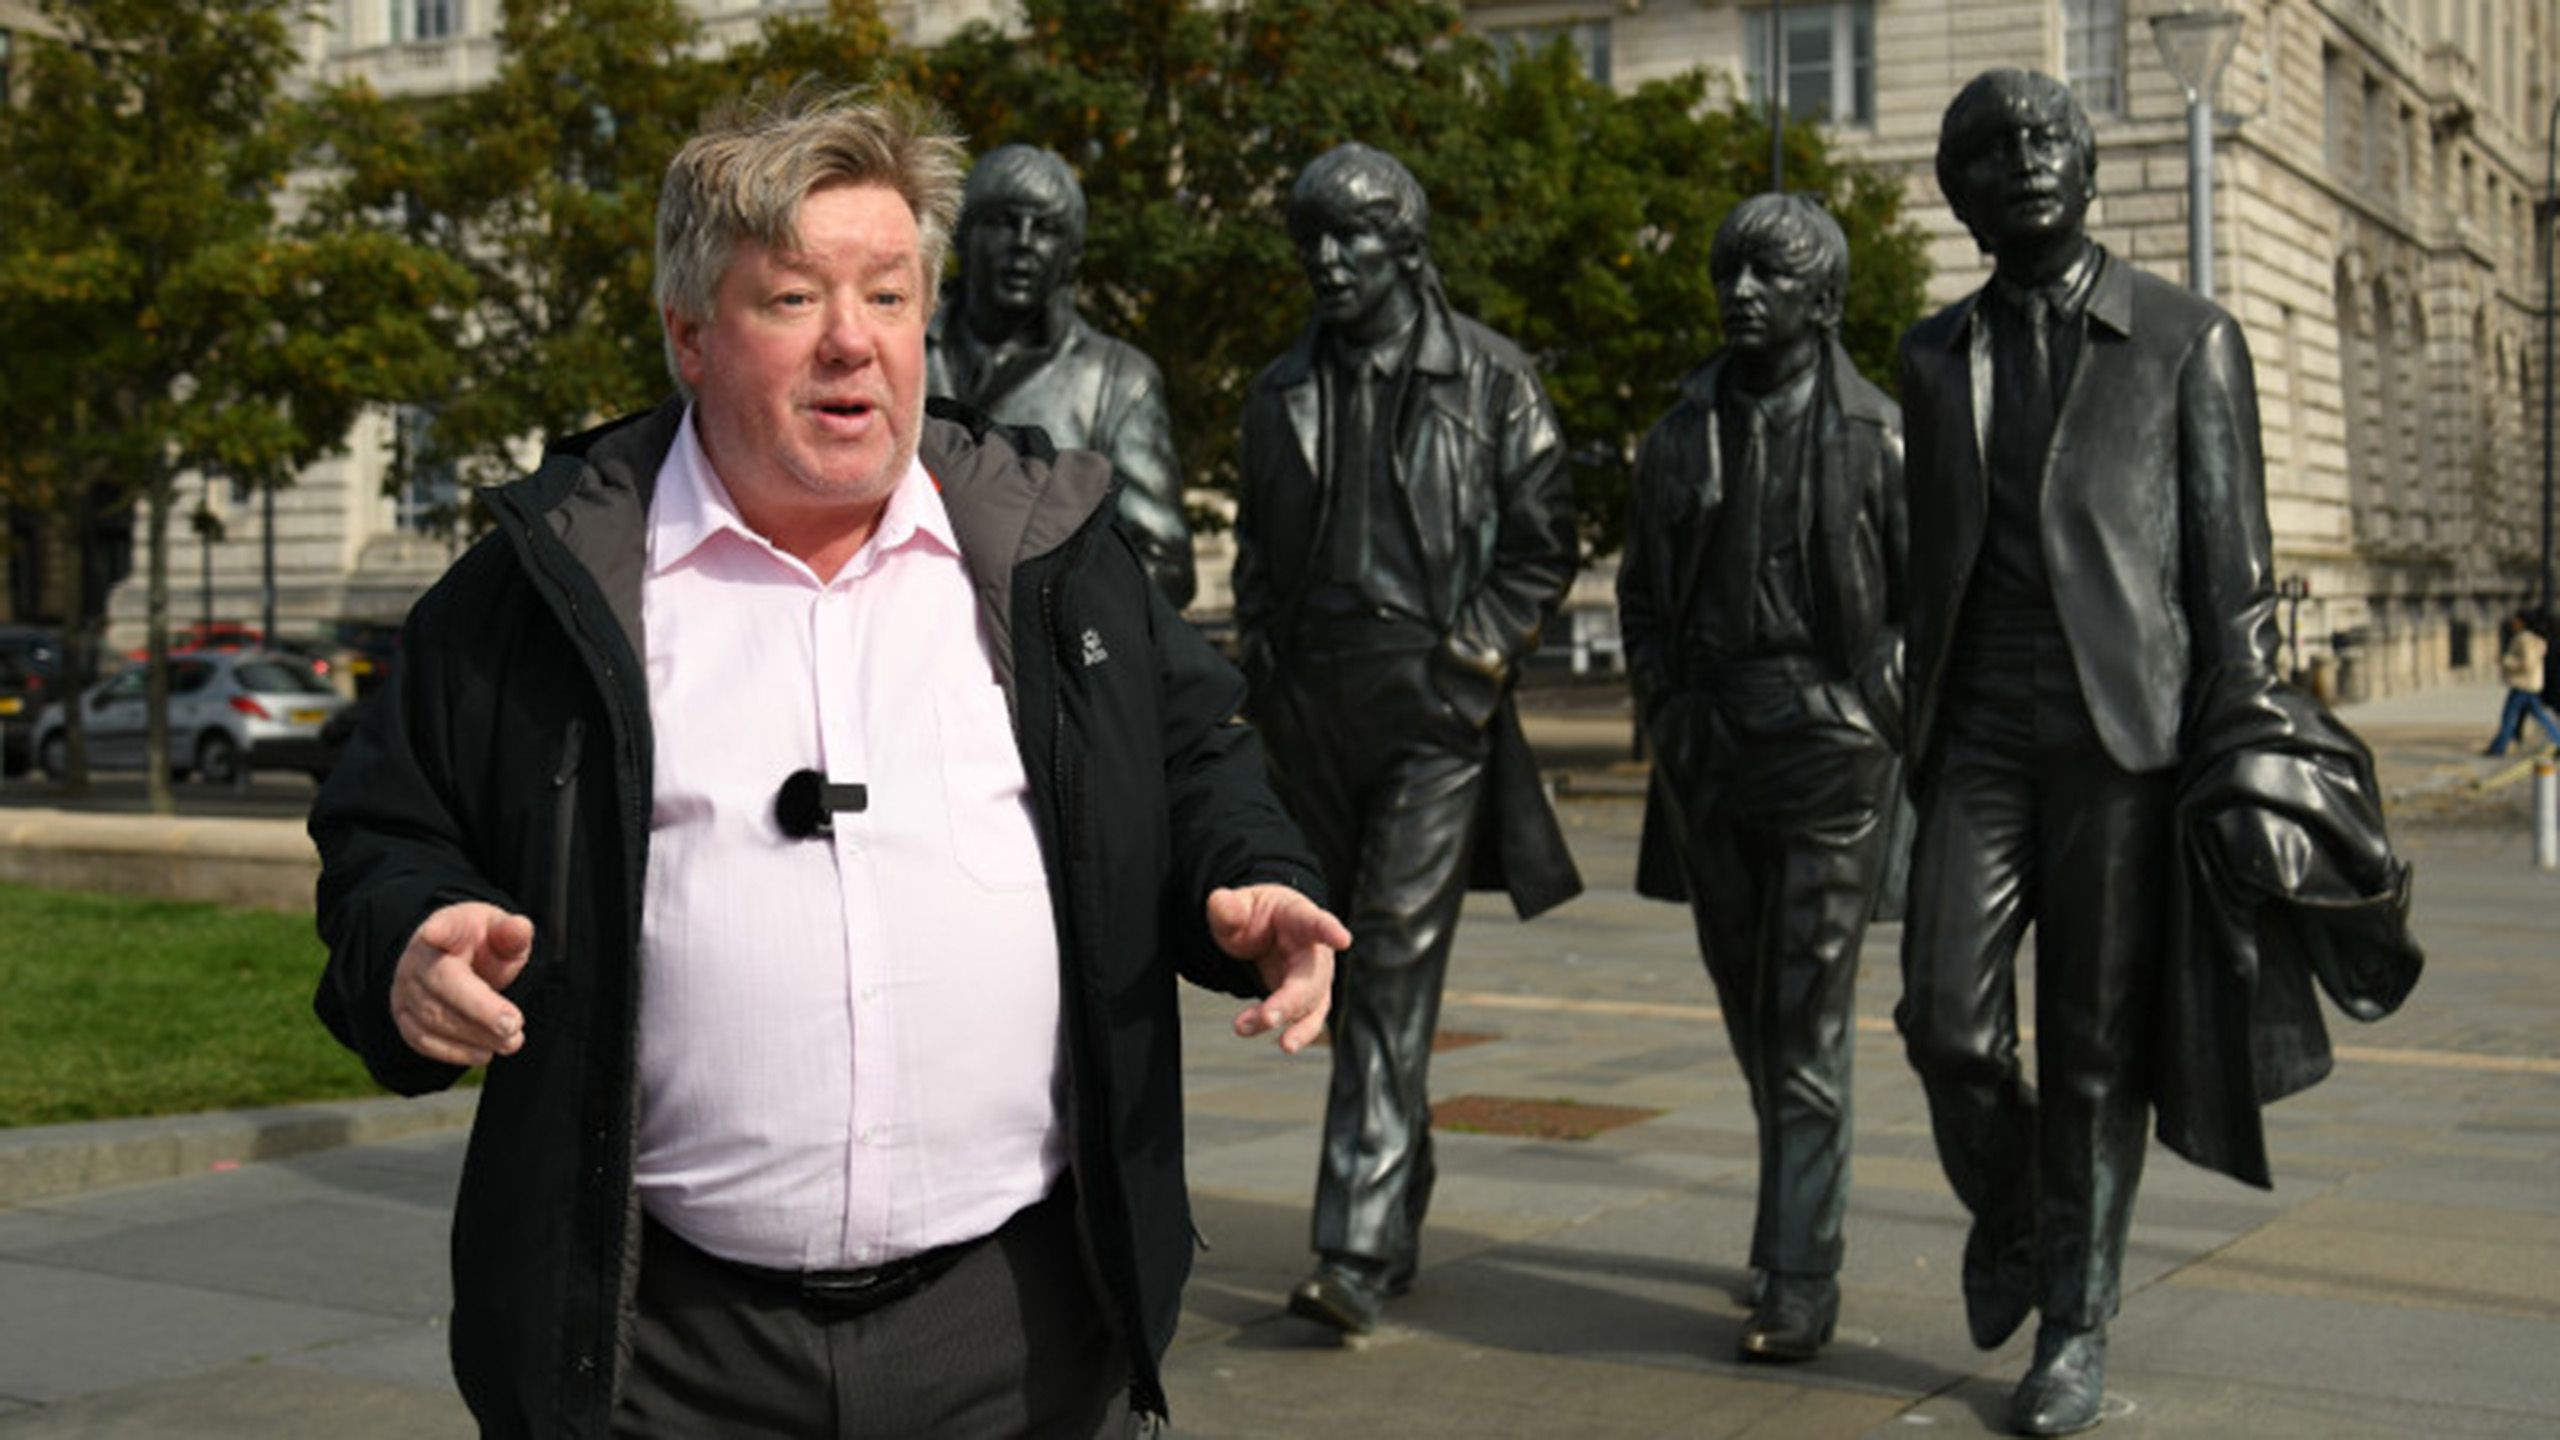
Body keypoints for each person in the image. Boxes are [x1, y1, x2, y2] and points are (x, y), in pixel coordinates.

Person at [309, 91, 1349, 1438]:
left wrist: (1249, 877)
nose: (855, 343)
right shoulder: (539, 590)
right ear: (689, 333)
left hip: (1017, 1339)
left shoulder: (1053, 557)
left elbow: (1195, 747)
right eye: (794, 299)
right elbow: (384, 834)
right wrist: (406, 945)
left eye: (891, 294)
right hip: (663, 1356)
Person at [1895, 70, 2284, 1436]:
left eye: (2046, 138)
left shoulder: (2188, 338)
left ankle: (2073, 1322)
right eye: (1991, 150)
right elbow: (1920, 564)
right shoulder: (1932, 357)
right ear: (1961, 191)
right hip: (1980, 731)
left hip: (2130, 738)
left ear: (2088, 164)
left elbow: (2234, 582)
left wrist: (2243, 756)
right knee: (1943, 1019)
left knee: (2094, 1050)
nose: (2023, 163)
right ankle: (2017, 1208)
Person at [1234, 142, 1581, 1337]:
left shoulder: (1491, 381)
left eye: (1354, 239)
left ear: (1407, 247)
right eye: (1313, 240)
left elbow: (1542, 541)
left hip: (1432, 710)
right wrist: (1265, 679)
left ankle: (1356, 1244)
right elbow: (1260, 564)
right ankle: (1396, 1175)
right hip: (1310, 710)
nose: (1328, 261)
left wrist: (1470, 663)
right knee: (1348, 968)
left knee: (1380, 955)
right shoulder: (1279, 387)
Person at [1617, 192, 1906, 1364]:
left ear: (1822, 299)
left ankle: (1800, 1271)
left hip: (1832, 751)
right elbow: (1642, 592)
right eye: (1731, 271)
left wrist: (1873, 705)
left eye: (1770, 276)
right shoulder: (1681, 429)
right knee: (1751, 1012)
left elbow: (1930, 600)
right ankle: (1793, 1203)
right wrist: (1667, 710)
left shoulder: (1879, 433)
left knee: (1804, 1019)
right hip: (1711, 749)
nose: (1742, 293)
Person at [927, 143, 1196, 607]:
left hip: (1043, 668)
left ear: (1071, 256)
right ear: (963, 235)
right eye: (1004, 222)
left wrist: (1043, 620)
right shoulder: (896, 355)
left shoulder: (1117, 382)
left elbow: (1165, 565)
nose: (1024, 243)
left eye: (1047, 229)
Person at [2483, 611, 2559, 756]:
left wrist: (2505, 660)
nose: (2513, 623)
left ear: (2522, 622)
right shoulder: (2536, 639)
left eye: (2515, 620)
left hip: (2522, 685)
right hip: (2531, 685)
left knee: (2509, 717)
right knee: (2540, 717)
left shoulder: (2524, 639)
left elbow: (2527, 663)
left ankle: (2498, 747)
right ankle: (2499, 746)